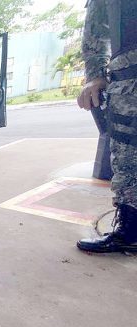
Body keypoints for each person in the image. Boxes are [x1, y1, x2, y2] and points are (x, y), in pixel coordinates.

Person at [76, 0, 137, 253]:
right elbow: (96, 33)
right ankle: (131, 230)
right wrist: (97, 75)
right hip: (129, 78)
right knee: (128, 160)